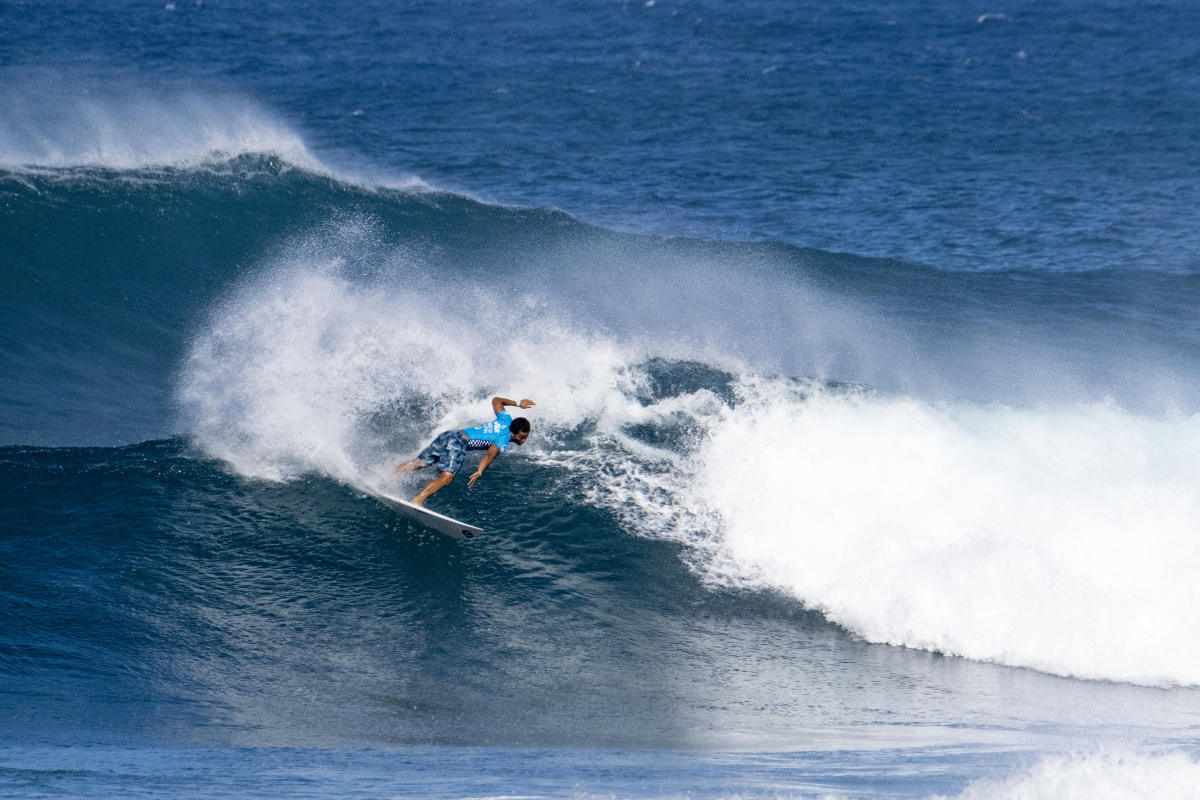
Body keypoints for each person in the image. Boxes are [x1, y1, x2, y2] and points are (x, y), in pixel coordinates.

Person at [394, 396, 536, 506]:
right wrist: (480, 471)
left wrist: (517, 404)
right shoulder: (503, 440)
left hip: (449, 435)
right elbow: (490, 454)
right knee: (447, 478)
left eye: (525, 437)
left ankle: (385, 481)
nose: (523, 441)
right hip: (459, 442)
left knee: (418, 463)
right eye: (521, 437)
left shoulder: (506, 419)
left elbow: (496, 400)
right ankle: (418, 501)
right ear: (514, 432)